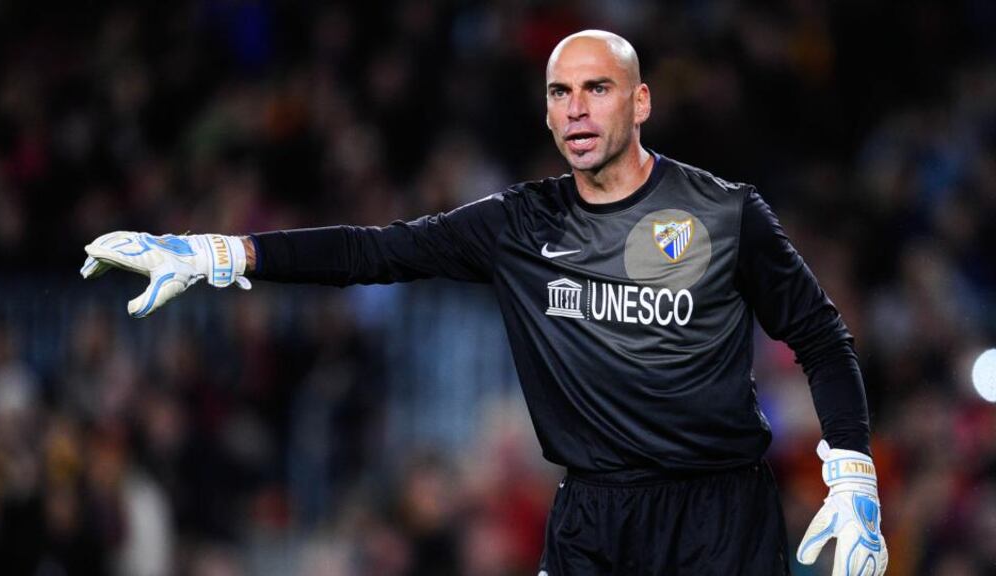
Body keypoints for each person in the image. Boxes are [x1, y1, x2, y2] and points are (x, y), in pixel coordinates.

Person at [82, 30, 887, 575]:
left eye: (597, 89)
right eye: (559, 91)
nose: (575, 107)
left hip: (722, 516)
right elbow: (375, 250)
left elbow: (820, 337)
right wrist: (222, 253)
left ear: (640, 103)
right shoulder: (517, 225)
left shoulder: (725, 212)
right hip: (593, 517)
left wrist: (852, 476)